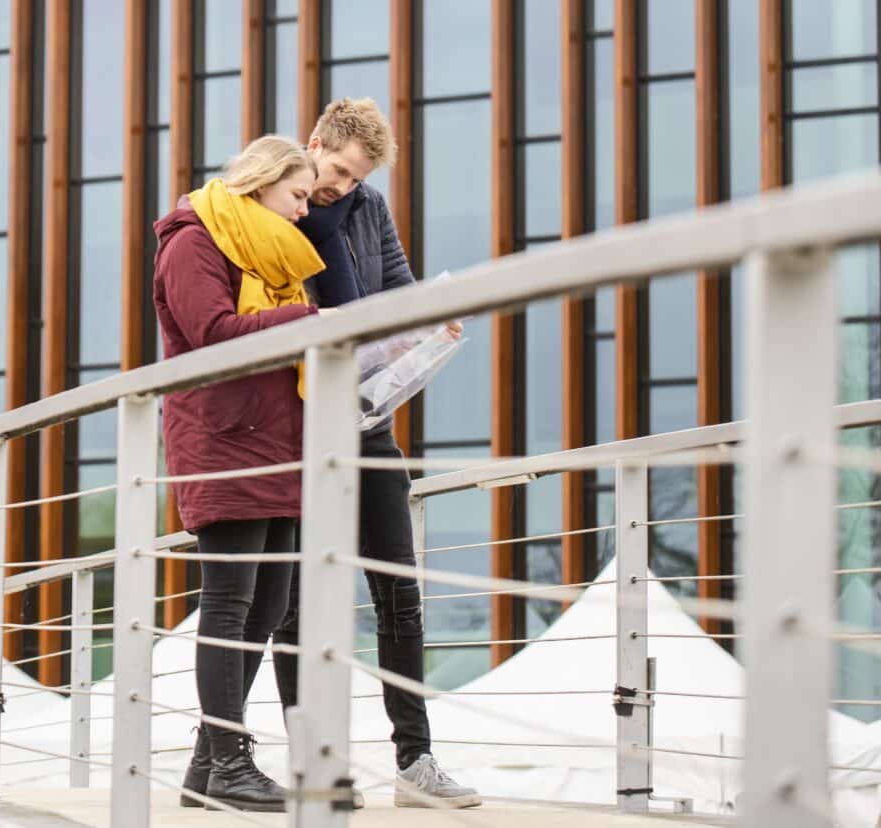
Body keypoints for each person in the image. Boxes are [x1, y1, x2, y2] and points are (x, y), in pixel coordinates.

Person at [271, 97, 482, 810]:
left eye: (352, 180)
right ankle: (315, 765)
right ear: (316, 144)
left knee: (400, 591)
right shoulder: (277, 203)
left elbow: (396, 294)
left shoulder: (368, 208)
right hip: (293, 429)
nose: (337, 189)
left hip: (365, 423)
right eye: (334, 172)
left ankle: (415, 763)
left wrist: (430, 318)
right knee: (295, 605)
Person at [153, 135, 327, 813]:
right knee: (229, 602)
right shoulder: (193, 241)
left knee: (272, 604)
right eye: (298, 195)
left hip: (278, 441)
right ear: (262, 183)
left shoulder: (269, 256)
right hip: (225, 438)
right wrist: (313, 319)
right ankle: (228, 760)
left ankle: (207, 766)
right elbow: (213, 333)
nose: (305, 212)